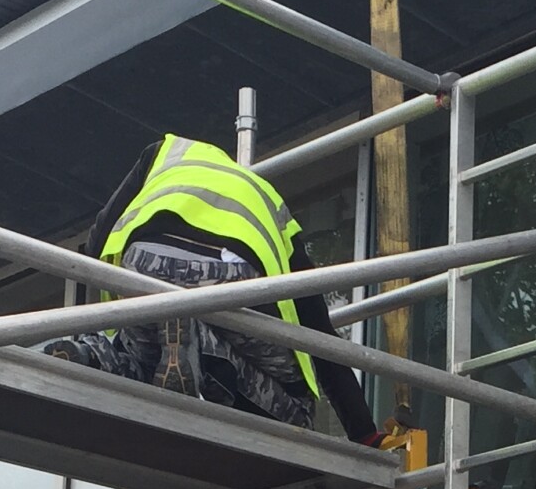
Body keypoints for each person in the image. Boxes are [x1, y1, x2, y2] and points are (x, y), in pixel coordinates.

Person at [45, 135, 381, 443]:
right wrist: (364, 433)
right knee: (295, 414)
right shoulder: (267, 200)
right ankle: (202, 350)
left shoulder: (164, 154)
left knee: (145, 355)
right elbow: (319, 334)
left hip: (146, 265)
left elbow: (96, 242)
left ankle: (92, 356)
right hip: (231, 274)